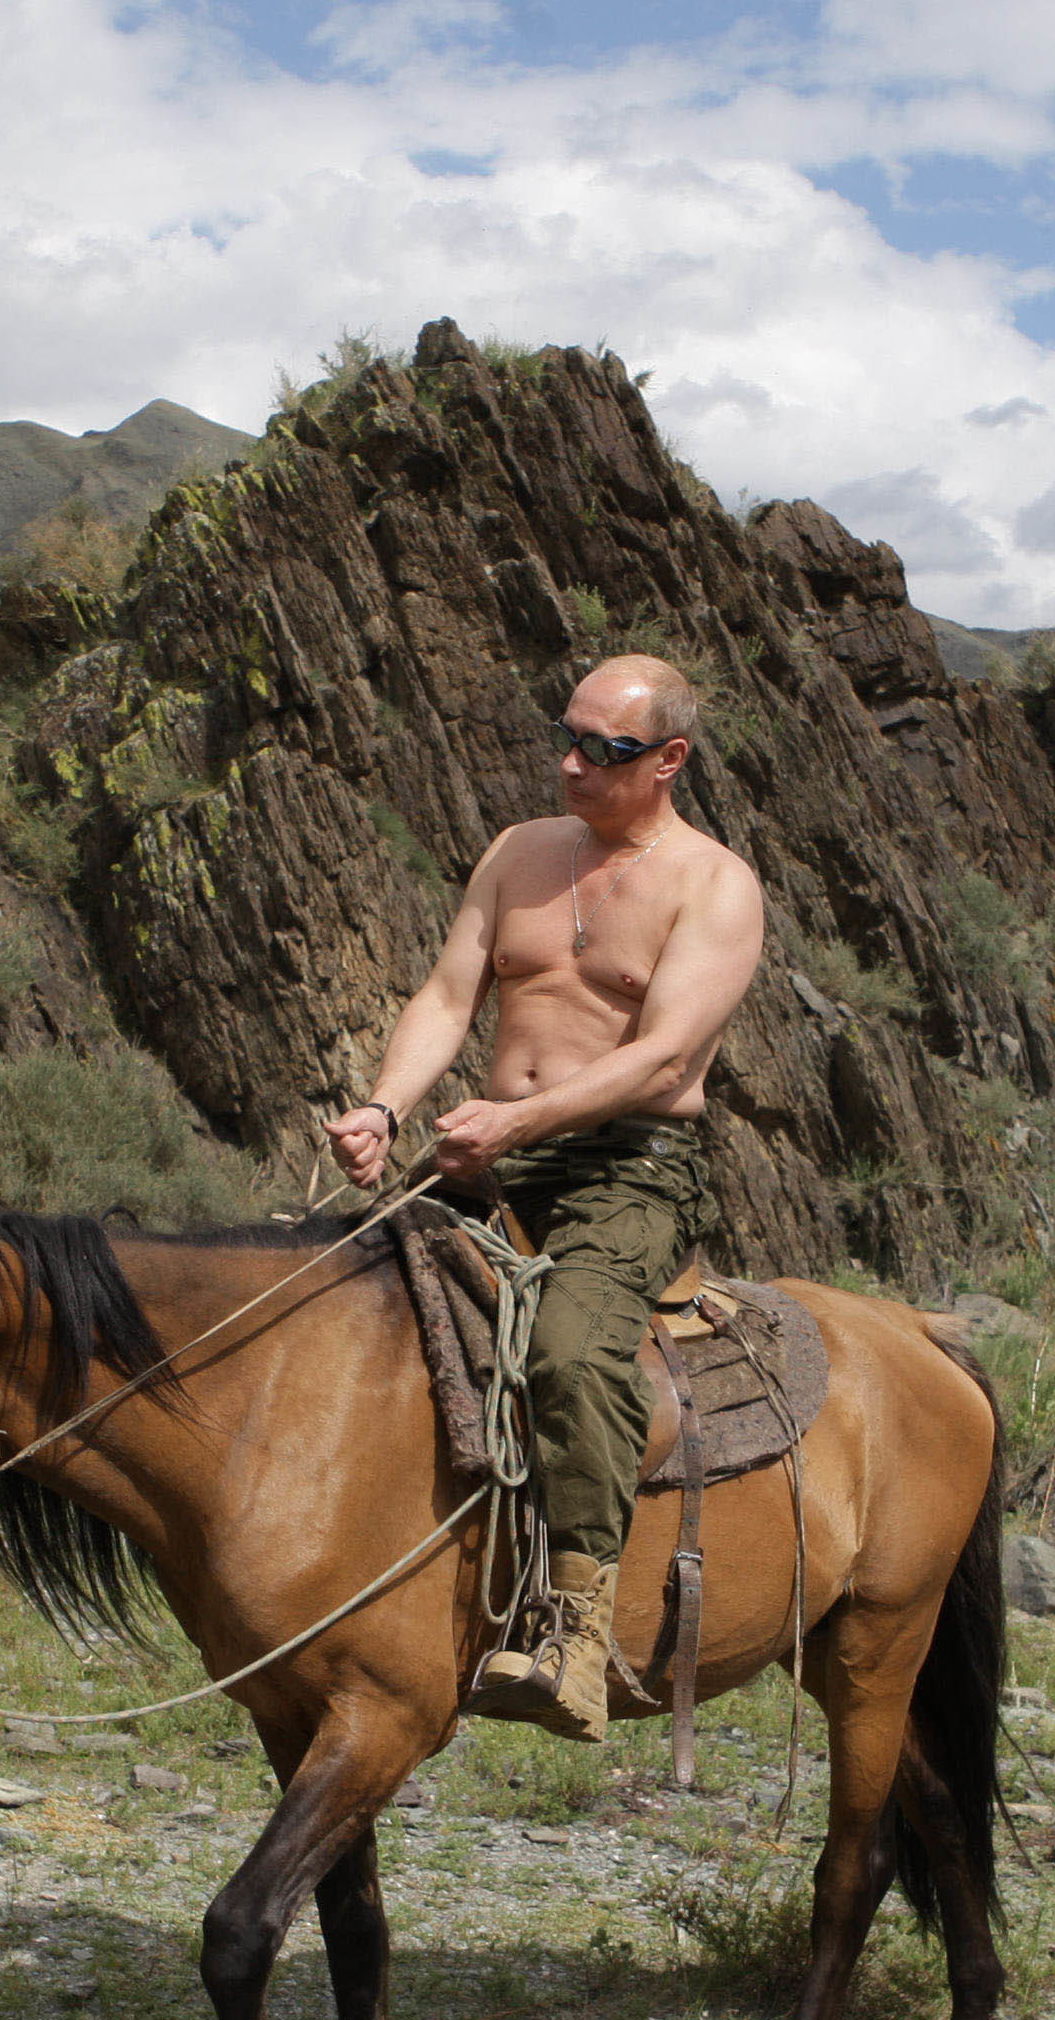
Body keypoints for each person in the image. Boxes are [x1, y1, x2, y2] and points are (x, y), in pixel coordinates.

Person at [324, 654, 767, 1739]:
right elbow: (446, 994)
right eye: (562, 738)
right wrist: (386, 1107)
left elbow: (665, 1061)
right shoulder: (520, 852)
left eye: (601, 751)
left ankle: (575, 1634)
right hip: (493, 1151)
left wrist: (516, 1120)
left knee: (573, 1350)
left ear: (669, 760)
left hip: (632, 1164)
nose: (569, 765)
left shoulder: (717, 887)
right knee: (328, 1283)